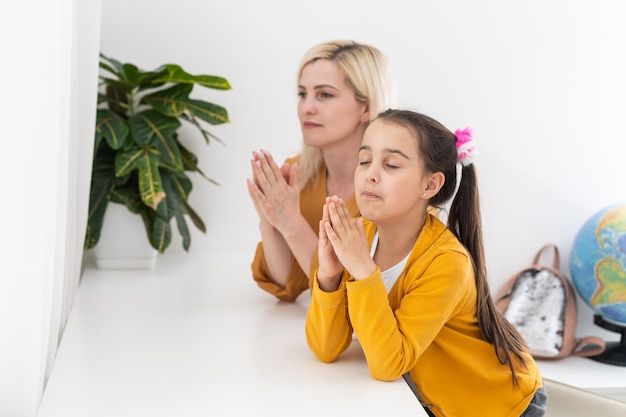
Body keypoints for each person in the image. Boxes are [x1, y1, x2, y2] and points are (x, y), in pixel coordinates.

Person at [305, 109, 547, 417]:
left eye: (390, 164)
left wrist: (364, 270)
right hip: (432, 398)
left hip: (499, 405)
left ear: (430, 186)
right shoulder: (360, 236)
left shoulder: (446, 263)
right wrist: (329, 276)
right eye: (364, 160)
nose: (370, 174)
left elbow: (388, 364)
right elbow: (326, 349)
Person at [247, 40, 397, 302]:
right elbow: (287, 284)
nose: (307, 108)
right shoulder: (297, 175)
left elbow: (356, 300)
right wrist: (270, 219)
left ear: (366, 107)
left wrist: (291, 223)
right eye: (302, 94)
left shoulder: (394, 186)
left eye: (325, 95)